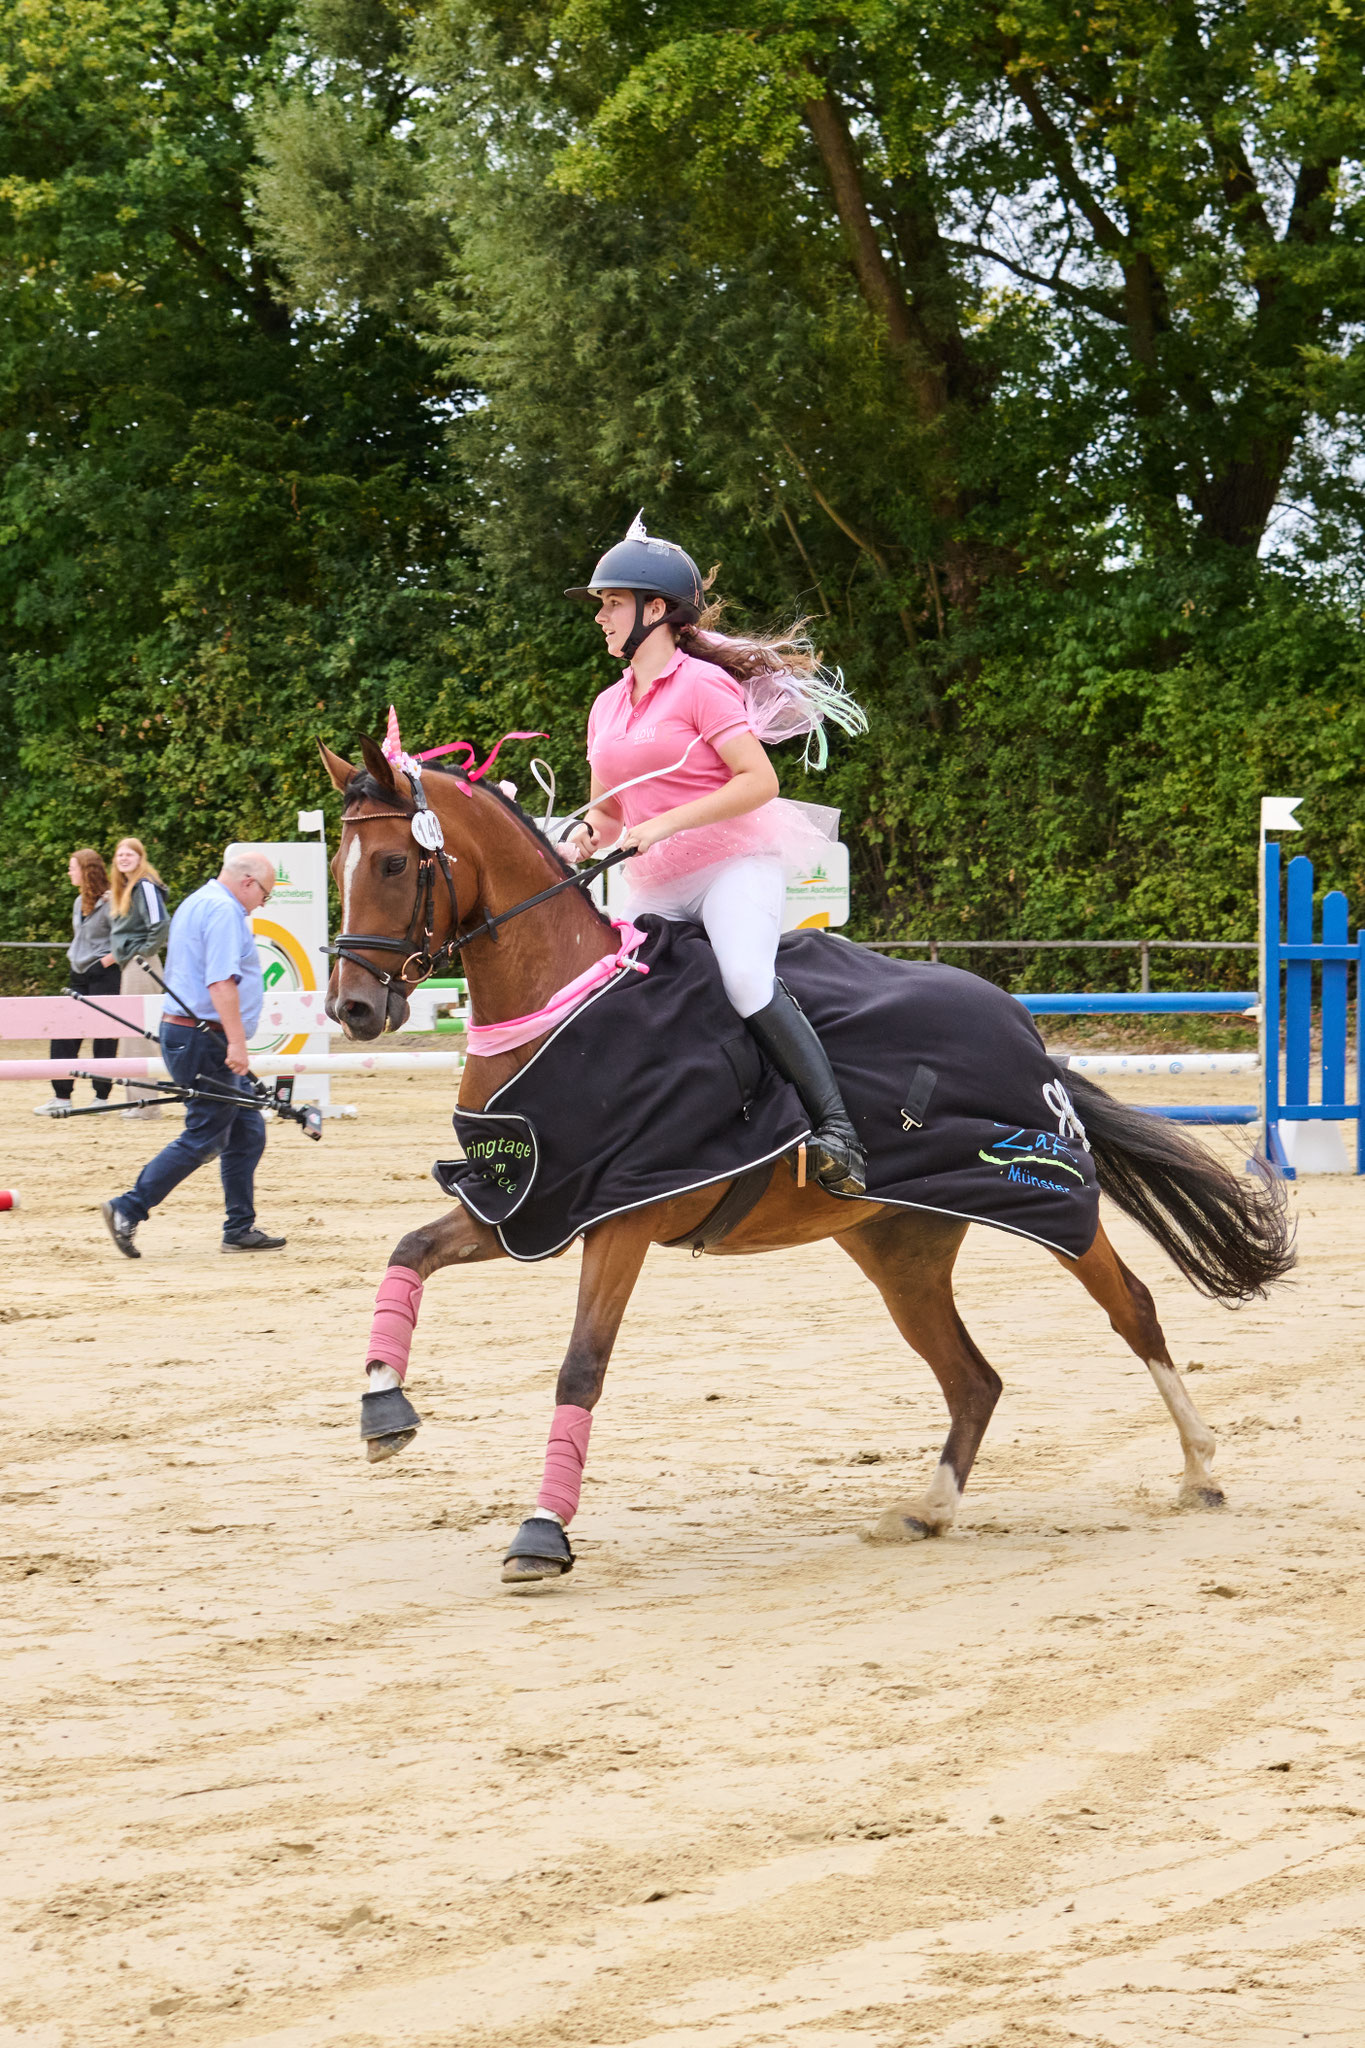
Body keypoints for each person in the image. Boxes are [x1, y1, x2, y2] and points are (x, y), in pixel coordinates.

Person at [563, 516, 868, 1195]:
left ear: (655, 610)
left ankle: (838, 1131)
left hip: (732, 865)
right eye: (601, 605)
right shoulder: (606, 706)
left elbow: (759, 781)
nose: (600, 617)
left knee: (743, 978)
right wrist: (584, 832)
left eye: (610, 603)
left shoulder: (701, 685)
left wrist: (664, 823)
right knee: (609, 996)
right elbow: (608, 811)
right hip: (654, 879)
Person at [101, 851, 287, 1257]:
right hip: (207, 1038)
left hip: (190, 1032)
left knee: (248, 1130)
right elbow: (220, 982)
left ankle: (239, 1227)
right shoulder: (224, 911)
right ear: (249, 882)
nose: (262, 904)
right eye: (265, 895)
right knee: (206, 1135)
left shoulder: (198, 900)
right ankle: (128, 1208)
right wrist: (236, 1043)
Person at [36, 849, 119, 1115]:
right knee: (64, 1031)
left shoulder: (112, 902)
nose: (69, 872)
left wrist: (103, 963)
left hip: (104, 973)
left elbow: (124, 941)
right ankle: (62, 1095)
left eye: (73, 867)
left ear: (86, 871)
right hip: (79, 972)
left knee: (104, 1035)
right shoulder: (78, 901)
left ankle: (102, 1098)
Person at [109, 836, 171, 1118]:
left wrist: (142, 952)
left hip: (140, 964)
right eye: (120, 854)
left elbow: (161, 923)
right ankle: (137, 1102)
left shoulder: (145, 885)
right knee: (131, 1034)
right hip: (132, 964)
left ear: (140, 857)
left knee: (139, 1036)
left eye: (129, 854)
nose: (124, 858)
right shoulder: (127, 887)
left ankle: (146, 1105)